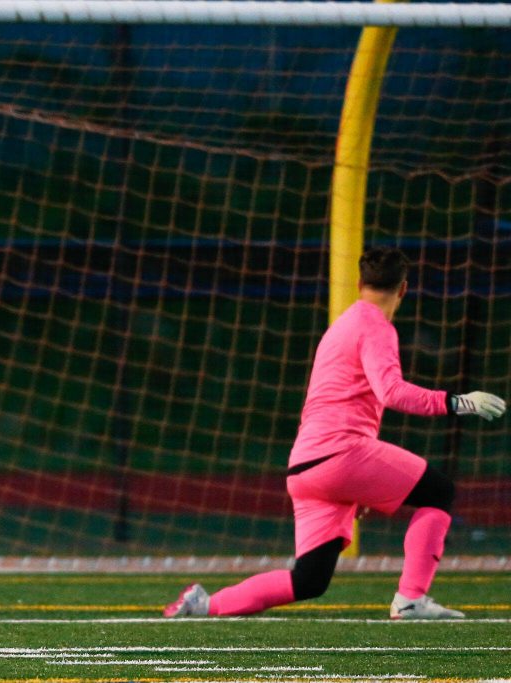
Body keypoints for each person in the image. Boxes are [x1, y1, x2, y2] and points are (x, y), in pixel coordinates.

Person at [164, 247, 505, 620]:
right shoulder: (376, 327)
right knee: (440, 491)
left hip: (306, 467)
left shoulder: (340, 327)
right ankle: (410, 599)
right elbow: (390, 391)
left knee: (310, 579)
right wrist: (458, 402)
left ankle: (205, 603)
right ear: (404, 289)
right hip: (341, 454)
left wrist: (354, 483)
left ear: (359, 284)